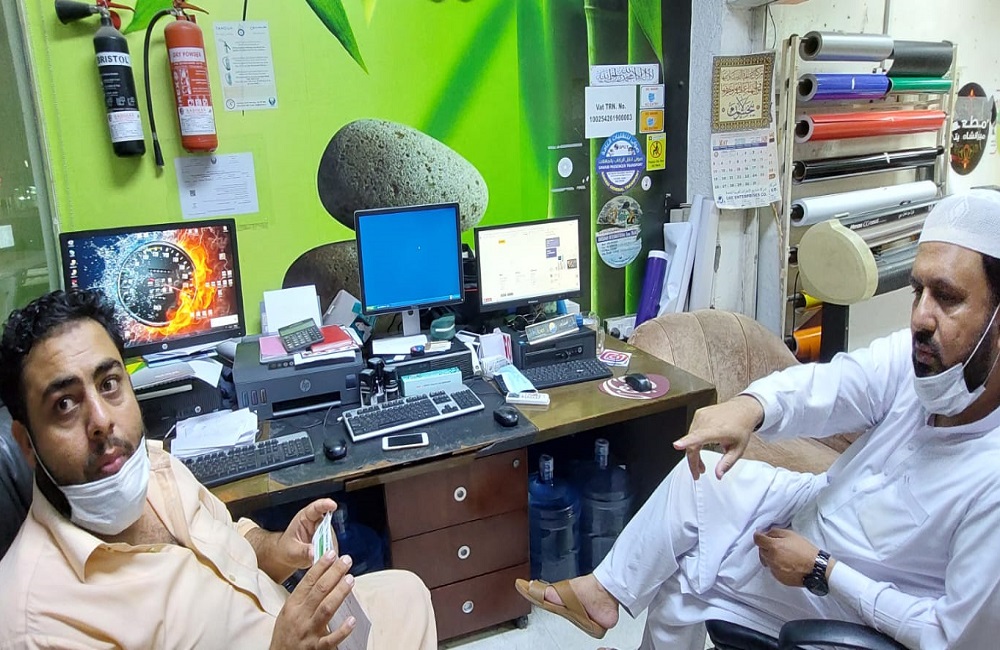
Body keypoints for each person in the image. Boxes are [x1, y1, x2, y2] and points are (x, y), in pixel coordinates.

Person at [515, 189, 1000, 650]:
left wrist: (824, 571)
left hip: (853, 586)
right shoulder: (922, 358)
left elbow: (951, 637)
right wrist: (750, 408)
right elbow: (832, 386)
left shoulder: (991, 483)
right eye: (917, 290)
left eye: (947, 297)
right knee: (699, 480)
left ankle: (608, 596)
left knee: (688, 576)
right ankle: (603, 591)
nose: (920, 317)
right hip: (826, 501)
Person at [0, 289, 437, 649]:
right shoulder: (36, 623)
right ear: (25, 443)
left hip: (282, 619)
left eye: (109, 384)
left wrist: (280, 549)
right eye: (64, 404)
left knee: (408, 593)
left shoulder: (156, 465)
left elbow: (232, 537)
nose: (101, 422)